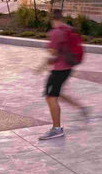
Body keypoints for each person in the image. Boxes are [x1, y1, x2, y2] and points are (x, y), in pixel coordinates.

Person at [38, 10, 89, 140]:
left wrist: (42, 65)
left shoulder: (55, 33)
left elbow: (53, 53)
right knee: (57, 94)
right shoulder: (68, 29)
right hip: (68, 68)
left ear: (52, 20)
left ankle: (57, 129)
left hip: (59, 70)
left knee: (51, 97)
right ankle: (80, 107)